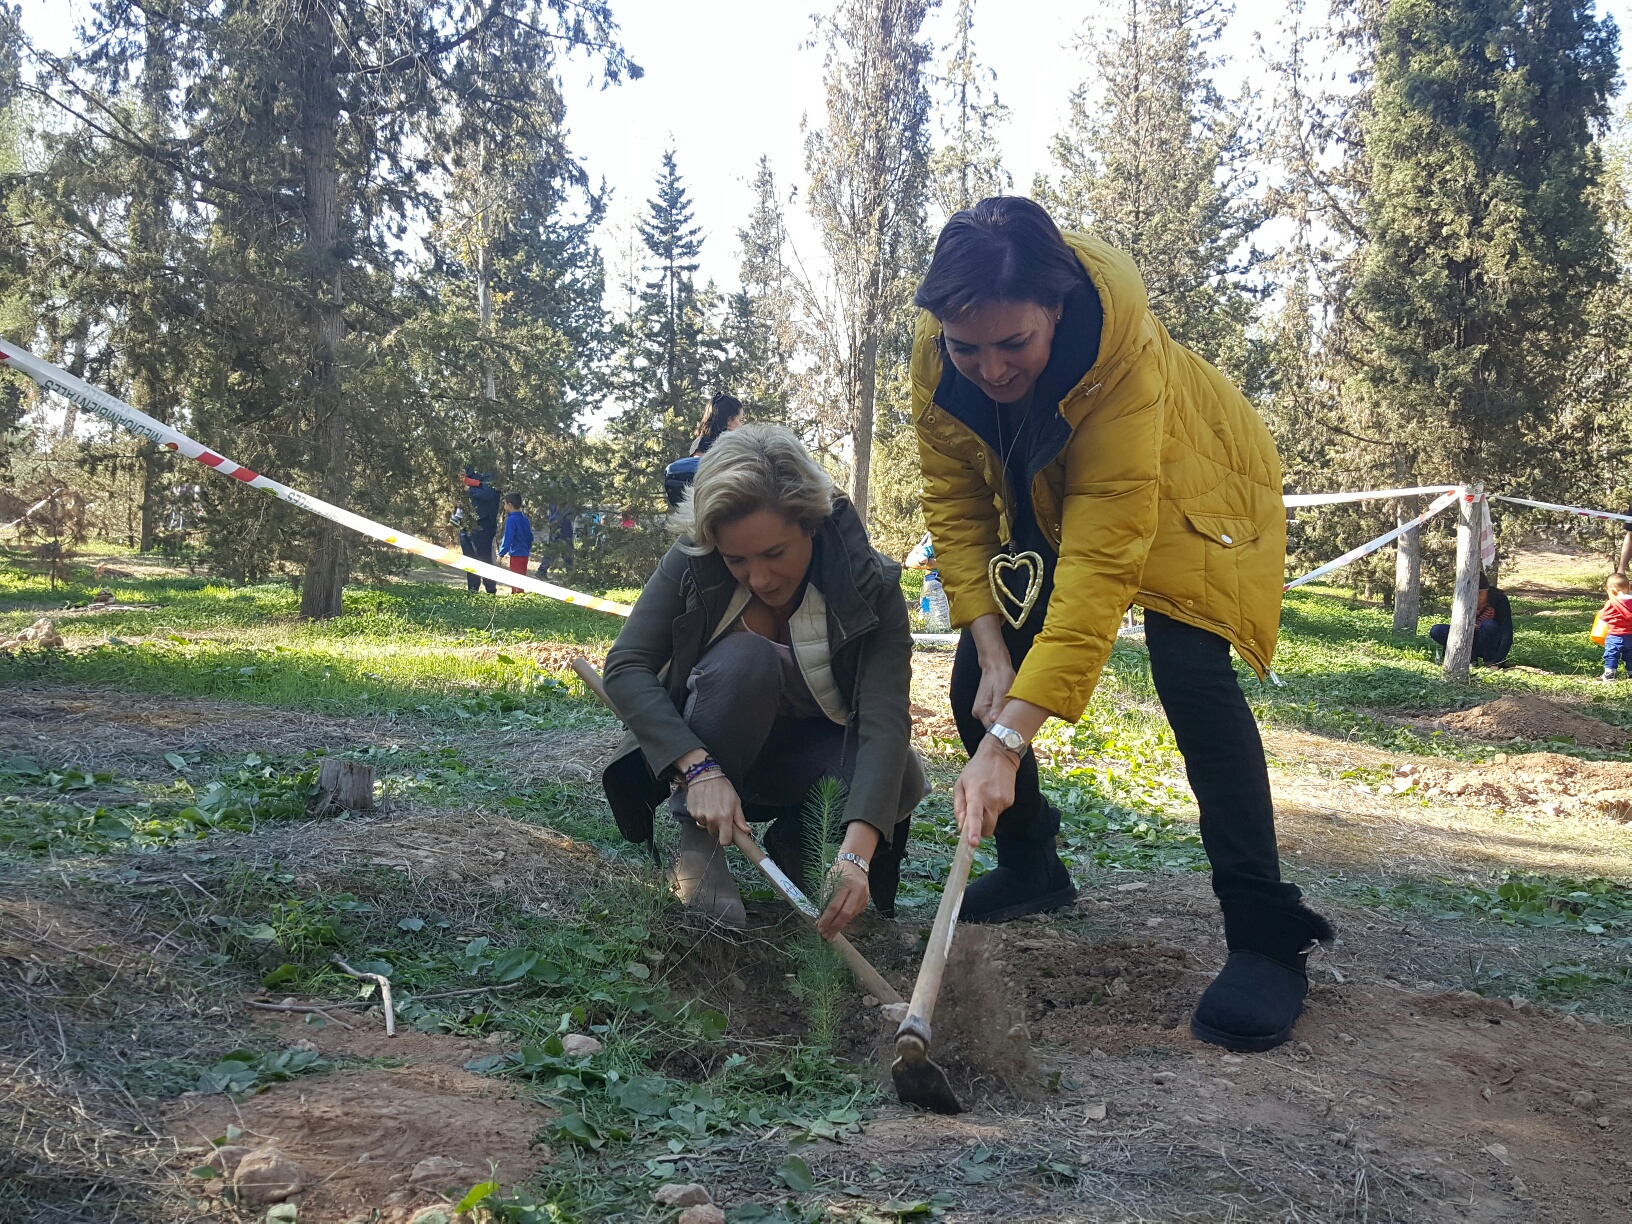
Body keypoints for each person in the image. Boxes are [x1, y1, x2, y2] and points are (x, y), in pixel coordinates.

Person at [908, 196, 1332, 1054]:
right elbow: (956, 508)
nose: (988, 368)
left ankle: (1264, 939)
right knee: (975, 686)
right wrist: (991, 649)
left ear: (1055, 309)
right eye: (968, 347)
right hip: (1049, 480)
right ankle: (1031, 867)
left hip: (1195, 478)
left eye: (1013, 345)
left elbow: (1100, 570)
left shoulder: (1121, 358)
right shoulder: (939, 356)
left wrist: (1010, 745)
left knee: (1191, 675)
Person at [601, 424, 924, 936]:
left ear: (811, 525)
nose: (759, 578)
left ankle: (801, 849)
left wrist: (858, 855)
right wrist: (699, 769)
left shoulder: (870, 584)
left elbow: (883, 721)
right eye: (736, 560)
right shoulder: (692, 562)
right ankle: (701, 844)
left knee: (902, 771)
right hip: (711, 753)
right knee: (747, 659)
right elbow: (625, 667)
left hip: (806, 765)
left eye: (775, 554)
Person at [1427, 574, 1512, 665]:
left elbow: (1507, 633)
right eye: (1474, 593)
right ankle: (1470, 658)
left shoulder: (1499, 599)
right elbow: (1456, 627)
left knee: (1488, 625)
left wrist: (1498, 662)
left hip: (1490, 640)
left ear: (1487, 590)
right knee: (1437, 630)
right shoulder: (1462, 598)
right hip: (1466, 638)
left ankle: (1490, 662)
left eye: (1480, 593)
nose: (1477, 597)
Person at [460, 468, 502, 594]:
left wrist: (468, 489)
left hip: (483, 525)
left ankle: (490, 591)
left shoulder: (490, 474)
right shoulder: (467, 471)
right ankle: (472, 591)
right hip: (465, 523)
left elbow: (488, 494)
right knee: (469, 559)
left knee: (484, 559)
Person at [1594, 573, 1632, 680]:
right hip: (1631, 636)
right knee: (1630, 655)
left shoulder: (1611, 603)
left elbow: (1602, 615)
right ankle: (1631, 673)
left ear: (1612, 591)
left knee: (1611, 654)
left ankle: (1610, 674)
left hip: (1614, 636)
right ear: (1628, 588)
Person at [498, 493, 533, 594]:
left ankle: (516, 600)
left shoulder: (511, 520)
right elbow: (530, 536)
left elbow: (508, 538)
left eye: (504, 504)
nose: (504, 506)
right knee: (522, 579)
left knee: (515, 580)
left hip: (516, 554)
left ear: (509, 505)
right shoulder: (525, 519)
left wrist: (501, 553)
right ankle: (520, 597)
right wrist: (527, 548)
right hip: (525, 554)